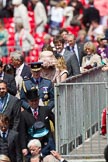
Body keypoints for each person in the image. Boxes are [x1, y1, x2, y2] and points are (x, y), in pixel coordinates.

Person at [19, 89, 54, 160]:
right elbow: (22, 132)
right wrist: (23, 147)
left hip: (46, 143)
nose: (34, 103)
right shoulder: (24, 114)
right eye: (32, 101)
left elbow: (55, 121)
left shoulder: (45, 110)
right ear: (28, 102)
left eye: (36, 100)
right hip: (32, 145)